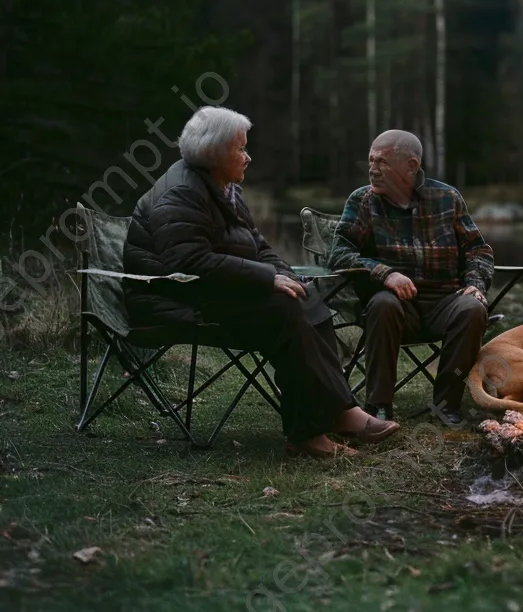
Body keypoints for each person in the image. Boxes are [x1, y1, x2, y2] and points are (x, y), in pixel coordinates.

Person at [122, 105, 399, 458]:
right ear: (214, 153)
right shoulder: (180, 193)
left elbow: (259, 245)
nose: (248, 156)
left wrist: (282, 274)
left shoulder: (225, 187)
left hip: (215, 291)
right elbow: (188, 262)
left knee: (305, 295)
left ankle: (339, 412)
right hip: (174, 298)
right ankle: (308, 434)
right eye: (240, 148)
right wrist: (268, 280)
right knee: (282, 309)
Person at [327, 129, 493, 426]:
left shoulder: (447, 198)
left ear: (411, 166)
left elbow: (477, 250)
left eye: (382, 163)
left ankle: (447, 407)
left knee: (473, 309)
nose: (372, 169)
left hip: (444, 301)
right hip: (394, 304)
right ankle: (378, 409)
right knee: (382, 305)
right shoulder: (363, 201)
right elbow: (338, 253)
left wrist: (475, 284)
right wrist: (384, 273)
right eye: (370, 161)